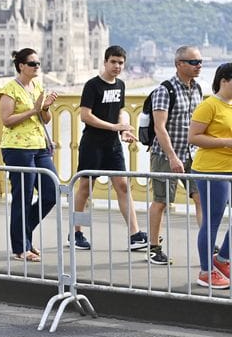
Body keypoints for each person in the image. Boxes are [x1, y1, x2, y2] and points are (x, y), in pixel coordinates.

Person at [72, 45, 148, 251]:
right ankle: (77, 232)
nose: (117, 66)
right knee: (86, 189)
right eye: (113, 62)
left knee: (123, 186)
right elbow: (85, 115)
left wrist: (122, 129)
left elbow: (120, 110)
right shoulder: (92, 86)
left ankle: (135, 234)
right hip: (92, 144)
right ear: (105, 62)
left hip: (112, 145)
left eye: (121, 63)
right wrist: (113, 127)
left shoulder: (120, 85)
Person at [0, 48, 58, 262]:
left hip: (40, 146)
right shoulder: (9, 89)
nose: (37, 67)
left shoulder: (38, 86)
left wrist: (45, 108)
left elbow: (46, 119)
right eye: (32, 63)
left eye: (38, 63)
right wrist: (33, 110)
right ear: (21, 66)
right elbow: (6, 120)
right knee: (22, 198)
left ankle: (24, 233)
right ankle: (21, 247)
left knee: (51, 193)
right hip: (17, 149)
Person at [147, 46, 203, 265]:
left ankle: (206, 242)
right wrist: (172, 156)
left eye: (200, 62)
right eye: (193, 62)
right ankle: (153, 248)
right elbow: (160, 128)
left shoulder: (197, 89)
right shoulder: (165, 90)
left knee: (201, 198)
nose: (199, 66)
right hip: (166, 154)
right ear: (179, 64)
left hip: (192, 154)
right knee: (161, 201)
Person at [188, 62, 232, 289]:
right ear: (224, 80)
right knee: (212, 220)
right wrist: (226, 142)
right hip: (211, 170)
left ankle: (223, 260)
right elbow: (193, 137)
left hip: (229, 169)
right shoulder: (209, 105)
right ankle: (206, 271)